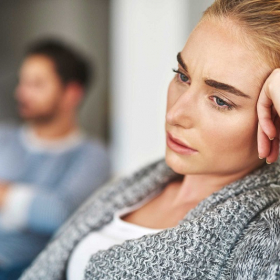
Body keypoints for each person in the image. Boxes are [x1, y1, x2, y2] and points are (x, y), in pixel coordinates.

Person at [20, 1, 280, 279]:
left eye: (220, 100)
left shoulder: (267, 232)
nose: (175, 113)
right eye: (183, 76)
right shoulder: (142, 185)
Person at [0, 39, 110, 279]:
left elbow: (60, 214)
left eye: (36, 84)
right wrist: (30, 203)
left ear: (71, 94)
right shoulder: (4, 138)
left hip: (24, 268)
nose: (21, 93)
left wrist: (5, 194)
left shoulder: (93, 156)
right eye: (22, 82)